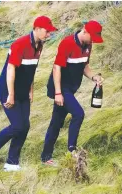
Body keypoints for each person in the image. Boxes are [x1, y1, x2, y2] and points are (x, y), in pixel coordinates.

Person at [0, 16, 57, 171]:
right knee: (18, 125)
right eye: (47, 31)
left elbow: (31, 70)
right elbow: (10, 69)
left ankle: (12, 162)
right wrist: (11, 94)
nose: (49, 34)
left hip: (23, 91)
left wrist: (31, 90)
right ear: (37, 28)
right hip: (7, 90)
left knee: (25, 126)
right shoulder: (19, 44)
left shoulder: (39, 45)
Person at [41, 20, 104, 166]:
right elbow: (56, 68)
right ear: (85, 30)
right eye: (93, 37)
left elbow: (85, 66)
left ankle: (45, 157)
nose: (93, 41)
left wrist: (94, 77)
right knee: (78, 114)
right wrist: (58, 93)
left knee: (56, 123)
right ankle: (72, 152)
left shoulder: (88, 44)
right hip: (61, 87)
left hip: (71, 88)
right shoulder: (67, 43)